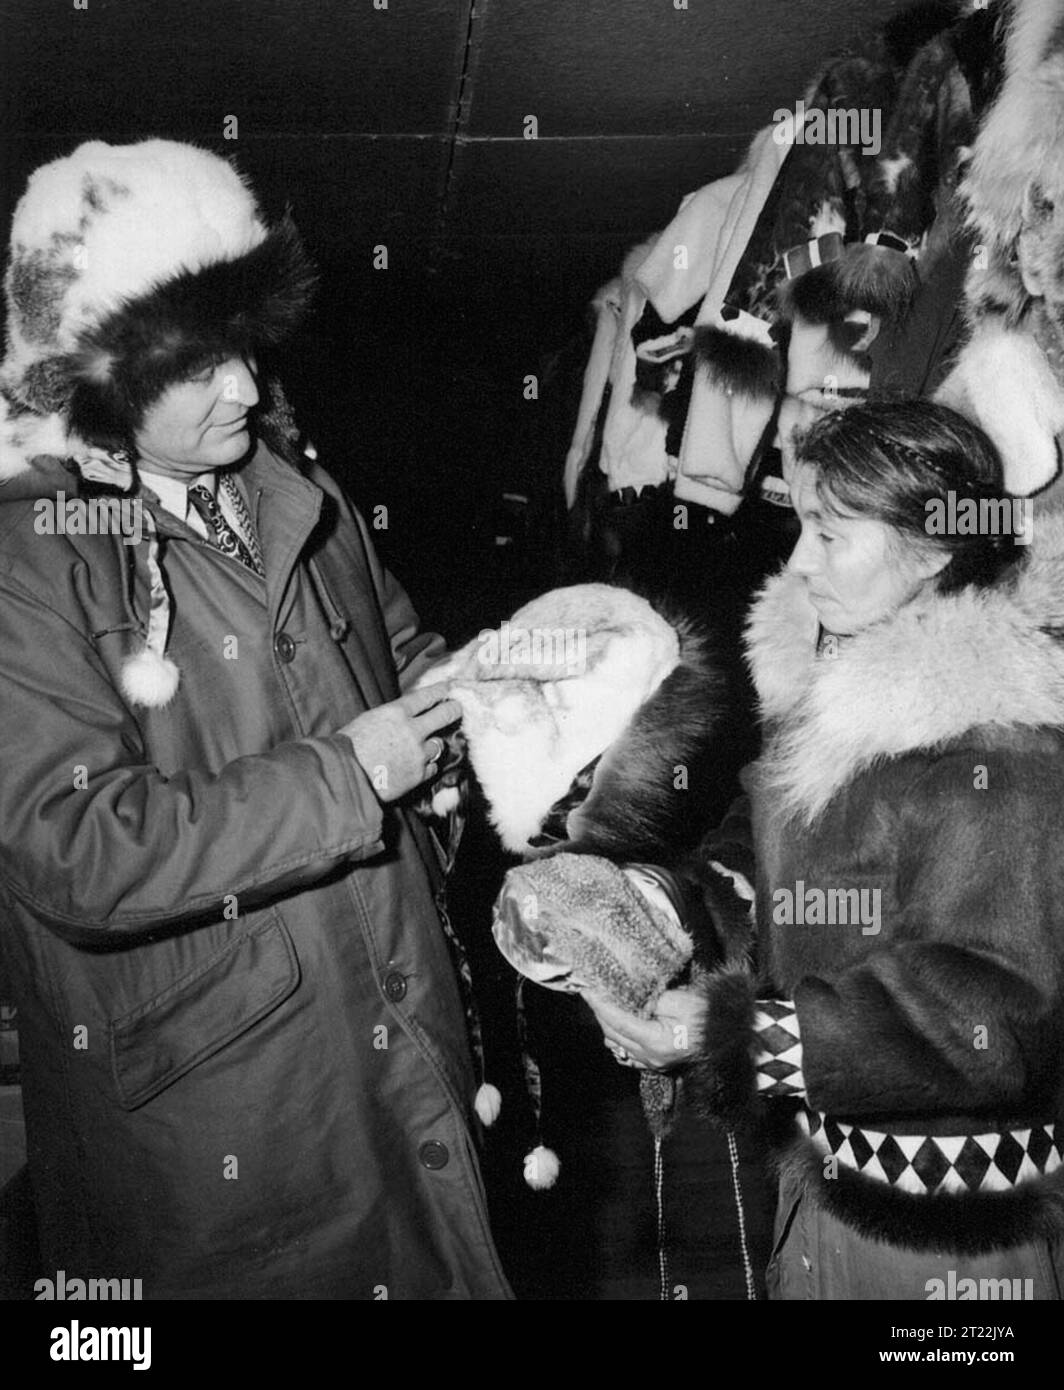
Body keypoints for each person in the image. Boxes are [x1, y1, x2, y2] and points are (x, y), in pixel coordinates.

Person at [0, 139, 511, 1299]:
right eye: (199, 365)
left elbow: (396, 651)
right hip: (224, 1121)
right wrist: (352, 774)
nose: (244, 386)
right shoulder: (27, 561)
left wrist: (486, 691)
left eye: (244, 345)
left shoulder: (296, 487)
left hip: (396, 1021)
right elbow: (75, 845)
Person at [589, 399, 1064, 1299]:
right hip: (825, 1182)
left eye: (831, 534)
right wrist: (667, 903)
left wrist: (738, 1037)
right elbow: (779, 847)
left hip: (946, 1242)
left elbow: (990, 1018)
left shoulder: (996, 745)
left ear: (932, 551)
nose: (799, 564)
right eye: (802, 526)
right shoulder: (849, 684)